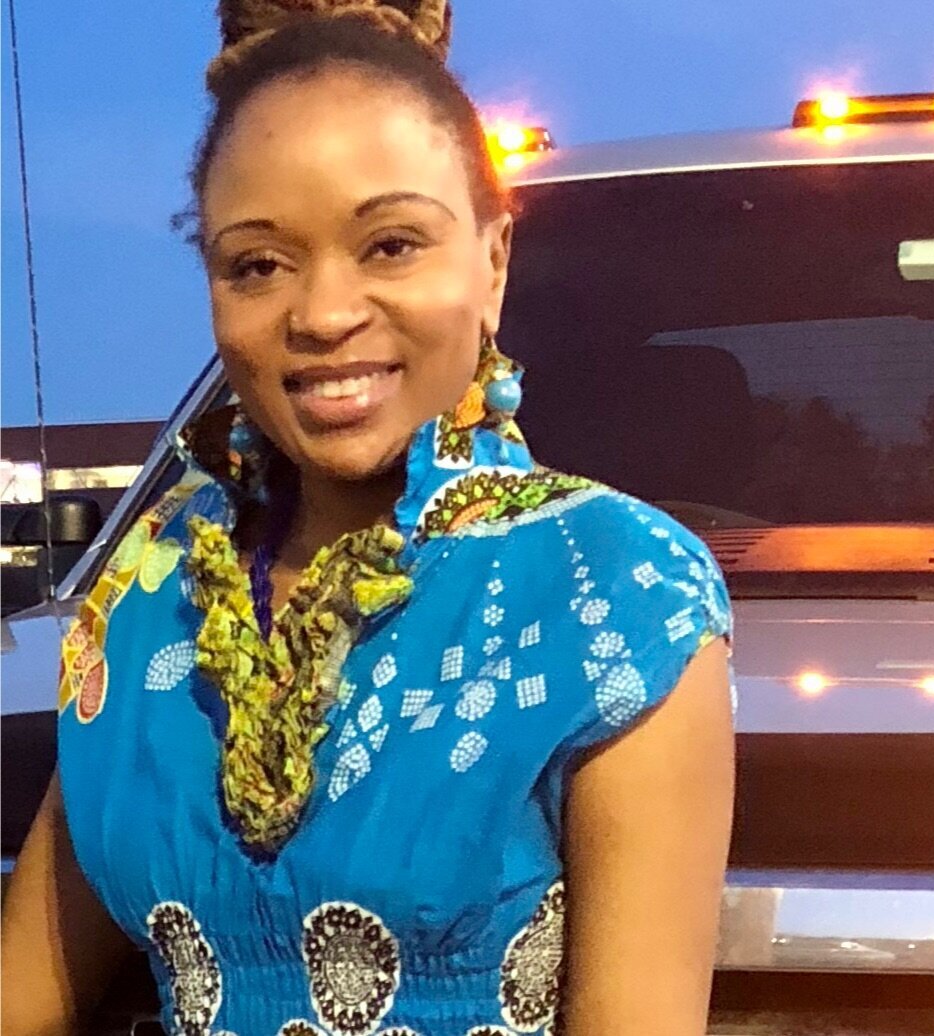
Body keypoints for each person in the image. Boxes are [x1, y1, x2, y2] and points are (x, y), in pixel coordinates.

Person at [1, 3, 735, 1033]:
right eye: (257, 265)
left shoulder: (613, 592)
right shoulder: (150, 588)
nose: (323, 314)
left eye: (390, 245)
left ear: (492, 261)